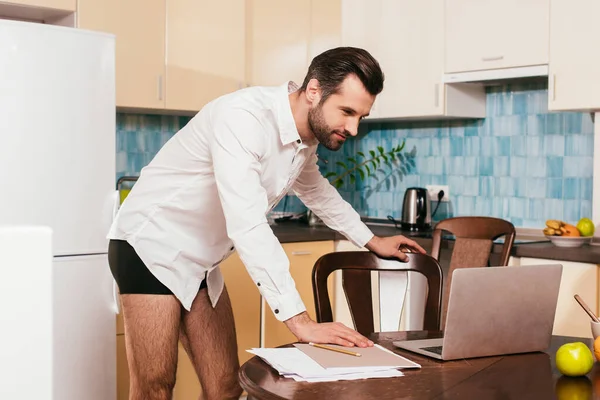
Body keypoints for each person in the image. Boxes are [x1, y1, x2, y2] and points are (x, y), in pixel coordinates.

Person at [107, 46, 426, 400]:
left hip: (198, 260)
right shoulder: (243, 118)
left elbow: (316, 191)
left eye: (360, 117)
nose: (352, 128)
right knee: (156, 388)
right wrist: (300, 322)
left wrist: (371, 240)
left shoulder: (303, 138)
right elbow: (247, 224)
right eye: (347, 112)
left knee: (226, 388)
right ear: (314, 91)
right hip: (149, 245)